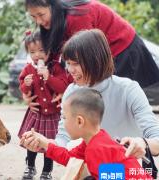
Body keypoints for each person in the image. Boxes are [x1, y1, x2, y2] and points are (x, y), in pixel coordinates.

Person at [22, 29, 159, 179]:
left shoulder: (128, 89)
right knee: (83, 168)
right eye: (68, 63)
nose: (70, 70)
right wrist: (42, 142)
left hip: (130, 172)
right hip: (96, 167)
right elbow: (64, 140)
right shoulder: (71, 91)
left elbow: (156, 138)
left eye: (76, 64)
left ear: (96, 60)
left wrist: (142, 143)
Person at [23, 0, 159, 112]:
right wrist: (31, 92)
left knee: (110, 102)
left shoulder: (76, 17)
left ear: (53, 6)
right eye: (34, 17)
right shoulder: (54, 22)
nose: (39, 21)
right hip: (100, 52)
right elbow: (54, 62)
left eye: (41, 15)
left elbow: (83, 61)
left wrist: (66, 90)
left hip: (122, 48)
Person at [21, 88, 153, 179]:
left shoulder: (96, 149)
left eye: (65, 118)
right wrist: (44, 142)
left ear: (79, 121)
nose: (63, 122)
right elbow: (70, 159)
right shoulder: (94, 140)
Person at [18, 31, 68, 180]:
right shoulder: (28, 69)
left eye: (41, 50)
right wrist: (26, 85)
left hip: (52, 114)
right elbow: (24, 89)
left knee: (49, 144)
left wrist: (49, 77)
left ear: (49, 50)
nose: (37, 55)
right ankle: (30, 166)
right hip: (37, 113)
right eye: (32, 52)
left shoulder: (56, 67)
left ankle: (47, 171)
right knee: (32, 141)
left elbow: (63, 87)